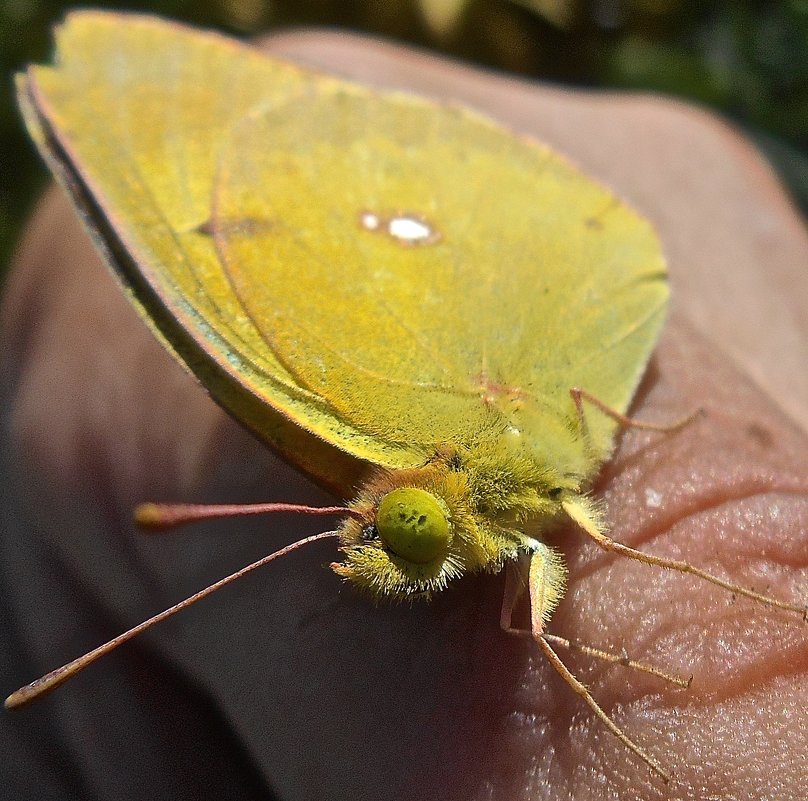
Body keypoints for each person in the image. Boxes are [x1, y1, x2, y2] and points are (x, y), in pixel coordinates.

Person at [2, 28, 807, 801]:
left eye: (397, 529)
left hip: (484, 252)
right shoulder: (451, 484)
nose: (368, 559)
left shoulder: (440, 444)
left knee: (704, 557)